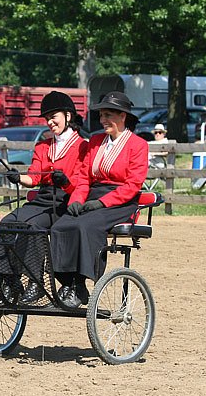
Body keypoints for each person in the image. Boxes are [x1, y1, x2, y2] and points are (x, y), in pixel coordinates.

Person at [50, 91, 149, 309]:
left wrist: (101, 203)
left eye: (108, 115)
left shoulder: (138, 145)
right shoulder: (95, 142)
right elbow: (84, 177)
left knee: (86, 225)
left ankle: (81, 281)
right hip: (93, 195)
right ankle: (68, 283)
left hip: (121, 201)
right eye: (101, 115)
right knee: (61, 226)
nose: (103, 120)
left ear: (122, 116)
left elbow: (132, 185)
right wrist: (76, 199)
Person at [0, 91, 88, 303]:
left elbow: (81, 182)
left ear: (67, 115)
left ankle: (35, 282)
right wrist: (18, 177)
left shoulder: (83, 146)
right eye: (47, 118)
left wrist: (64, 180)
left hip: (66, 199)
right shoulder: (43, 146)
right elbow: (33, 177)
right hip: (43, 198)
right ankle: (10, 280)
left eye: (53, 117)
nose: (49, 122)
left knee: (32, 225)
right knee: (6, 223)